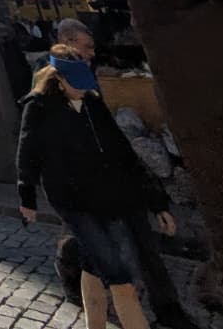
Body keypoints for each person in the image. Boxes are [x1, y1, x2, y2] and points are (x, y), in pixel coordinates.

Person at [50, 20, 195, 328]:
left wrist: (154, 200)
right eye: (86, 47)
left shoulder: (89, 80)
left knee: (145, 247)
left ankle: (168, 309)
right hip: (83, 191)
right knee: (81, 243)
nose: (92, 53)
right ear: (66, 42)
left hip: (117, 186)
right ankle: (73, 277)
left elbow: (116, 145)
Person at [17, 45, 173, 329]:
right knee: (120, 277)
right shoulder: (38, 107)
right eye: (76, 83)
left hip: (109, 197)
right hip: (74, 202)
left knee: (93, 265)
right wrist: (27, 197)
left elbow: (122, 151)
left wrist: (157, 201)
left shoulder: (92, 103)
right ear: (59, 80)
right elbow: (27, 154)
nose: (82, 89)